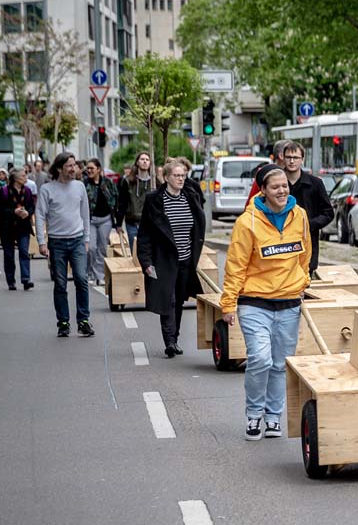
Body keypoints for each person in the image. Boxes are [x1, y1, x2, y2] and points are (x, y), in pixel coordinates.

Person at [220, 163, 311, 440]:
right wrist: (228, 303)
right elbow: (235, 265)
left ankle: (273, 417)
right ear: (263, 190)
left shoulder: (300, 216)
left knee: (279, 364)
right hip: (254, 303)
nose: (282, 190)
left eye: (285, 185)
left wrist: (303, 281)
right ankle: (253, 414)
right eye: (276, 187)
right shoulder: (247, 222)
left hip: (289, 304)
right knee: (260, 359)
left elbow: (304, 255)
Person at [137, 159, 207, 359]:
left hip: (185, 259)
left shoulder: (190, 196)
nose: (181, 179)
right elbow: (145, 234)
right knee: (169, 300)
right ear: (166, 177)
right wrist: (146, 262)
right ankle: (169, 341)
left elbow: (197, 227)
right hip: (163, 259)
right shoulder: (154, 200)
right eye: (176, 175)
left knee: (179, 300)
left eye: (183, 175)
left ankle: (174, 338)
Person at [36, 152, 93, 338]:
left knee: (81, 279)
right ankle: (63, 322)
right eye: (69, 165)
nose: (73, 168)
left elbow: (85, 214)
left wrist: (86, 239)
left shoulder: (80, 187)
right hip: (57, 242)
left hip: (77, 240)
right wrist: (41, 242)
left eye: (74, 165)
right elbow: (40, 216)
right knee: (60, 283)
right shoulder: (47, 189)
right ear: (59, 168)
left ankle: (83, 320)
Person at [280, 142, 333, 273]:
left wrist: (309, 224)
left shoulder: (315, 183)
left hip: (307, 240)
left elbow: (328, 213)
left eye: (295, 158)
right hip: (280, 240)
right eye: (288, 157)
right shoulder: (275, 182)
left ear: (302, 159)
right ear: (283, 158)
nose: (292, 161)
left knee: (305, 277)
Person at [0, 168, 36, 291]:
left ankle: (26, 279)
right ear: (16, 178)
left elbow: (31, 207)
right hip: (7, 227)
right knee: (9, 255)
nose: (26, 178)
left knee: (24, 252)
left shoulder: (28, 191)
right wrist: (13, 211)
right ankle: (11, 281)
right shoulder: (3, 192)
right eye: (23, 176)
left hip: (23, 226)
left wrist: (27, 213)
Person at [83, 158, 117, 286]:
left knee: (102, 248)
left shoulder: (108, 183)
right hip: (90, 220)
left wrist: (116, 219)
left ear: (99, 169)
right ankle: (89, 273)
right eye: (88, 168)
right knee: (91, 248)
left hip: (105, 220)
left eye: (92, 168)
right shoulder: (85, 184)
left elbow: (115, 198)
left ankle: (100, 275)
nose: (89, 170)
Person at [115, 152, 154, 249]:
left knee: (148, 251)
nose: (145, 161)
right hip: (132, 222)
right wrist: (119, 224)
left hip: (149, 223)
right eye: (142, 159)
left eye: (147, 159)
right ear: (137, 162)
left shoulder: (154, 182)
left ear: (150, 163)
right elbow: (122, 203)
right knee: (135, 251)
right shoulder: (128, 181)